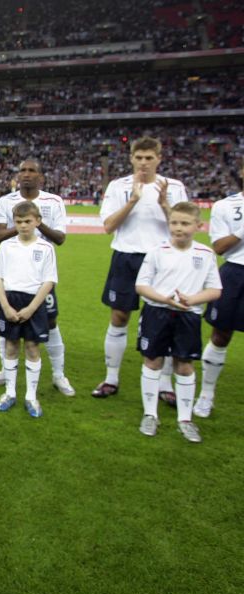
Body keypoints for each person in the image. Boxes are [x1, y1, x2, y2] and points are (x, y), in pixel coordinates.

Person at [92, 136, 188, 401]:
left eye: (149, 158)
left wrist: (165, 205)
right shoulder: (118, 185)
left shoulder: (174, 187)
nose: (144, 163)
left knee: (166, 319)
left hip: (163, 260)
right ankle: (111, 378)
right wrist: (133, 201)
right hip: (127, 257)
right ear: (131, 158)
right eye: (139, 158)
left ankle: (164, 384)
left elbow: (183, 227)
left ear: (159, 158)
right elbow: (109, 226)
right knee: (119, 317)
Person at [134, 202, 221, 442]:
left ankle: (185, 418)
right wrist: (164, 299)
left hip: (188, 315)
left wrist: (192, 299)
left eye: (185, 223)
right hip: (157, 312)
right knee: (152, 362)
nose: (178, 228)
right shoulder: (157, 251)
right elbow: (141, 285)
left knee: (184, 365)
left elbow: (215, 289)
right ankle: (150, 414)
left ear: (198, 226)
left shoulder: (204, 254)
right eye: (174, 222)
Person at [0, 160, 75, 396]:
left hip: (39, 276)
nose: (26, 175)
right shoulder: (6, 201)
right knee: (7, 326)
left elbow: (59, 238)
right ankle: (6, 373)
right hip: (11, 274)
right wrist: (21, 227)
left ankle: (59, 374)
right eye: (22, 171)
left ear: (41, 176)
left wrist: (36, 223)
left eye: (32, 171)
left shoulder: (53, 201)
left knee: (51, 323)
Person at [0, 201, 58, 417]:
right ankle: (10, 392)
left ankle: (31, 396)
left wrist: (31, 309)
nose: (23, 225)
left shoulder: (45, 248)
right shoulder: (6, 246)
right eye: (19, 221)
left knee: (32, 347)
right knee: (10, 346)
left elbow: (49, 281)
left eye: (28, 221)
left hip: (34, 302)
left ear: (38, 221)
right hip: (9, 299)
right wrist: (5, 306)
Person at [193, 167, 244, 418]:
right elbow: (220, 247)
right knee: (221, 335)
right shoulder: (224, 206)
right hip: (236, 272)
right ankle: (206, 395)